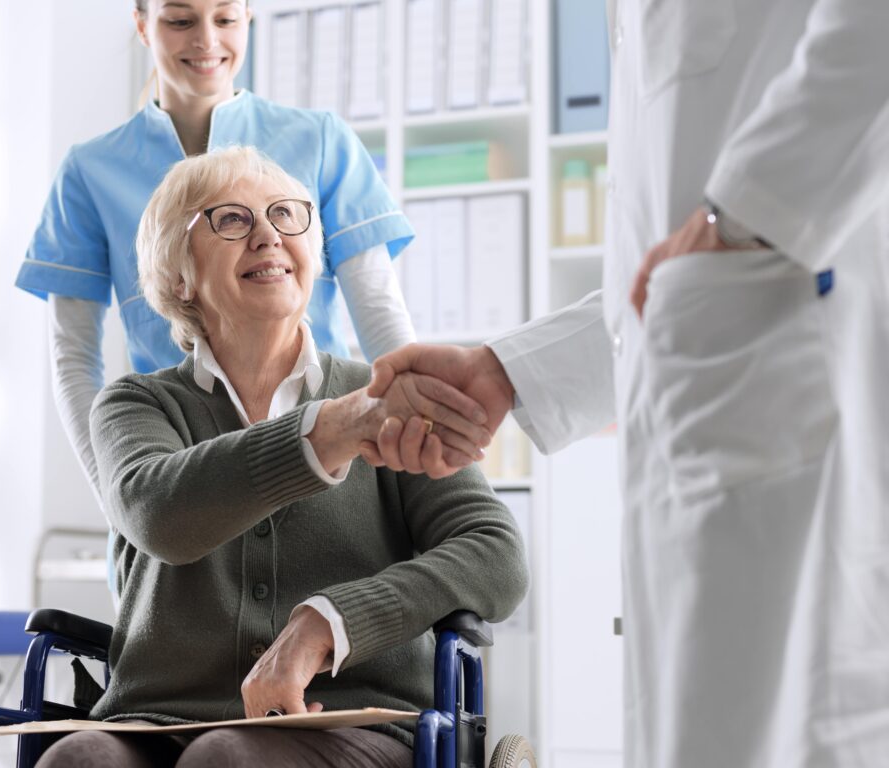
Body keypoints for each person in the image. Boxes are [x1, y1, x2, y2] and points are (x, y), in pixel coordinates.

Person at [365, 2, 889, 767]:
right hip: (718, 391)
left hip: (796, 375)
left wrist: (743, 216)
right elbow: (655, 276)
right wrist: (504, 371)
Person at [34, 146, 528, 768]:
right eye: (232, 220)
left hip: (350, 722)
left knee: (227, 759)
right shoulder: (136, 405)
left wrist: (331, 622)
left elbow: (496, 554)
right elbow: (158, 512)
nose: (268, 234)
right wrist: (329, 430)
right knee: (76, 760)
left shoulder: (387, 399)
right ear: (179, 274)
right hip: (154, 722)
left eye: (287, 215)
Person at [15, 0, 415, 502]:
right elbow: (72, 355)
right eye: (181, 20)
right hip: (178, 460)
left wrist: (420, 436)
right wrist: (122, 502)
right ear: (142, 24)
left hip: (322, 442)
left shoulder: (320, 140)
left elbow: (379, 310)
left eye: (225, 18)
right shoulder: (90, 170)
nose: (206, 40)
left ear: (248, 18)